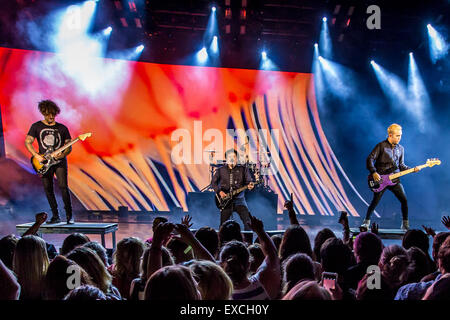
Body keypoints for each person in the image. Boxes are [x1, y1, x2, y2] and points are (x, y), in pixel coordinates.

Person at [363, 123, 420, 230]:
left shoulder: (401, 149)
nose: (400, 138)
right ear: (390, 135)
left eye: (400, 135)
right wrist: (374, 172)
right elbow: (369, 159)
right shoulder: (381, 146)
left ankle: (405, 224)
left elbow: (401, 165)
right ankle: (366, 223)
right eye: (397, 136)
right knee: (375, 202)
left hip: (394, 179)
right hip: (380, 180)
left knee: (404, 200)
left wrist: (412, 170)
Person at [25, 100, 74, 224]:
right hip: (44, 162)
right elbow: (28, 142)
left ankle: (69, 216)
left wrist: (62, 154)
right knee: (48, 188)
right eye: (48, 114)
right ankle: (55, 216)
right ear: (43, 113)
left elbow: (69, 146)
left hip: (60, 162)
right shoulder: (36, 126)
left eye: (53, 114)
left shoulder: (62, 128)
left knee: (63, 187)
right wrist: (36, 155)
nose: (51, 117)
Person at [212, 148, 254, 232]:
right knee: (223, 224)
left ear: (237, 159)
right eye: (229, 157)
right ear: (226, 159)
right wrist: (220, 192)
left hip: (239, 200)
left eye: (234, 157)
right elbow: (213, 183)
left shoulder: (243, 169)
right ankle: (221, 241)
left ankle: (248, 241)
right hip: (225, 201)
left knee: (248, 222)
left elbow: (249, 181)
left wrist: (250, 185)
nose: (231, 159)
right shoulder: (220, 170)